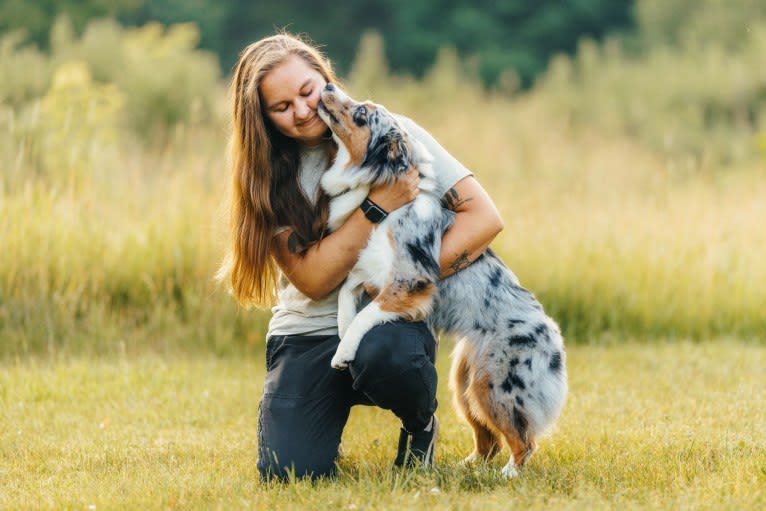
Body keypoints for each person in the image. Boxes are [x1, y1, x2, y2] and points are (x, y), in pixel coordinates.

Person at [219, 32, 504, 481]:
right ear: (262, 118)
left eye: (307, 92)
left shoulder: (391, 133)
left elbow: (483, 218)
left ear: (325, 80)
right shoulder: (265, 175)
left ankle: (419, 426)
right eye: (281, 107)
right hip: (308, 333)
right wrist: (378, 204)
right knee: (289, 473)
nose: (301, 110)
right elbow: (313, 280)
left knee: (389, 356)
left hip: (387, 326)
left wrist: (406, 281)